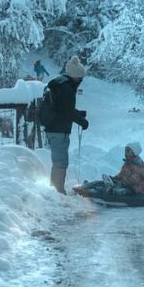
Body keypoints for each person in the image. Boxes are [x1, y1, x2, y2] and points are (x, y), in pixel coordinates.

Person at [45, 56, 89, 194]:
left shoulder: (58, 84)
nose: (81, 81)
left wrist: (78, 114)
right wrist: (81, 121)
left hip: (52, 127)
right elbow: (66, 111)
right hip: (59, 130)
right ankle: (57, 191)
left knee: (58, 160)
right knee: (61, 162)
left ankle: (55, 189)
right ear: (75, 77)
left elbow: (61, 108)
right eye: (80, 78)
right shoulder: (67, 89)